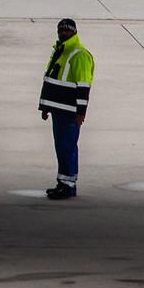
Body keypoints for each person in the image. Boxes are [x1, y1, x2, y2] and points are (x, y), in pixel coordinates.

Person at [39, 17, 95, 199]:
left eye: (67, 31)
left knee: (68, 147)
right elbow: (51, 81)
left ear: (74, 32)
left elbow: (83, 86)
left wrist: (81, 113)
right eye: (61, 30)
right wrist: (45, 107)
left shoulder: (79, 54)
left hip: (70, 112)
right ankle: (63, 182)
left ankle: (69, 185)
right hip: (58, 110)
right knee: (61, 147)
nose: (64, 33)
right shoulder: (60, 51)